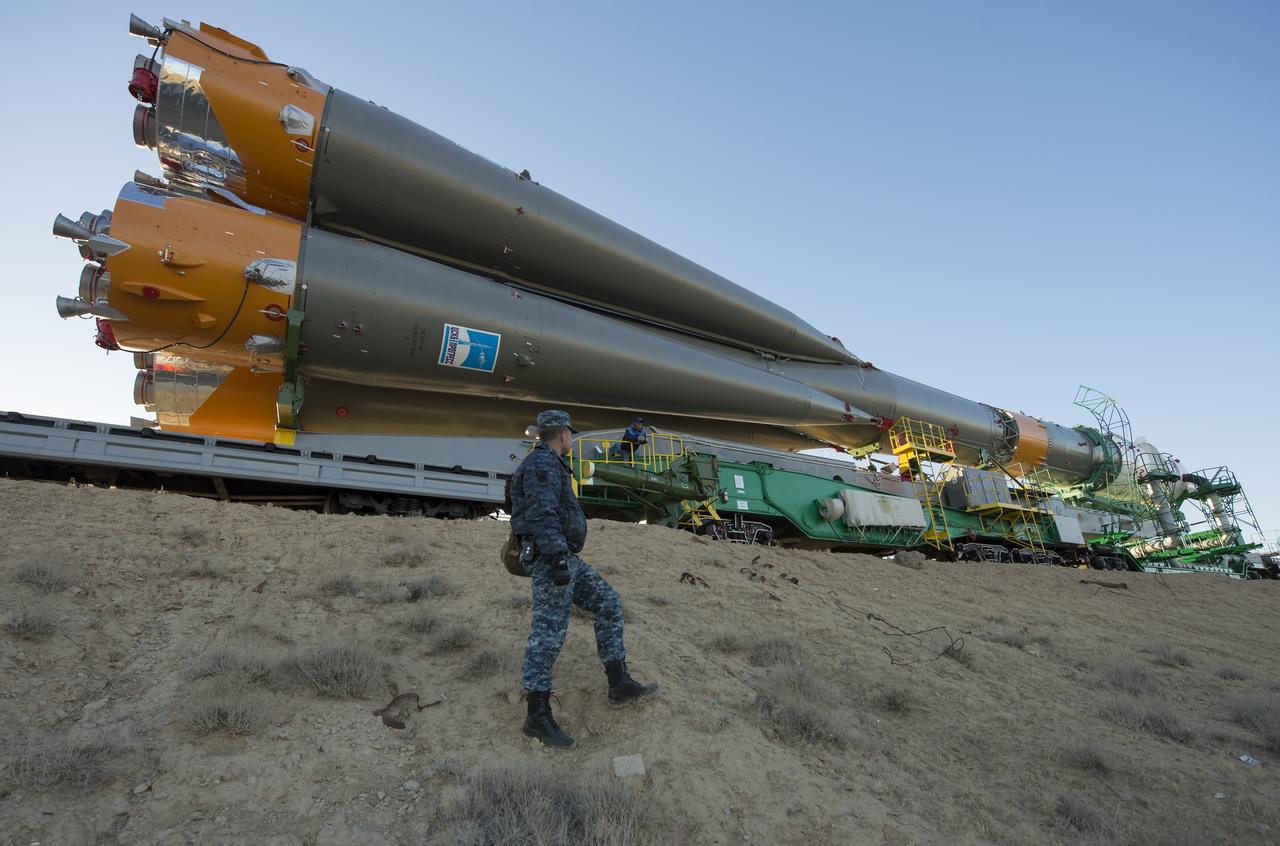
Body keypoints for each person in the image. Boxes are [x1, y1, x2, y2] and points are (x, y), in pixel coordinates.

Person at [509, 409, 659, 748]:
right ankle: (537, 716)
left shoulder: (552, 462)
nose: (572, 439)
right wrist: (557, 558)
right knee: (548, 635)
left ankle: (619, 683)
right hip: (552, 559)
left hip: (564, 556)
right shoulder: (543, 464)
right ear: (563, 434)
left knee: (608, 602)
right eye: (571, 434)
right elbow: (541, 513)